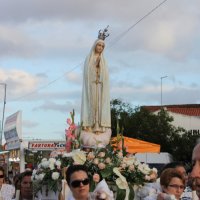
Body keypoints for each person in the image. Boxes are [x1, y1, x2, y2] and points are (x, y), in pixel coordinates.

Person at [81, 28, 111, 135]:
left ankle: (98, 127)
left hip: (100, 86)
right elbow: (87, 74)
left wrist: (100, 69)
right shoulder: (89, 58)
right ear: (95, 46)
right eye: (99, 45)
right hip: (92, 86)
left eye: (103, 46)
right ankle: (90, 125)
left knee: (99, 105)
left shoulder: (103, 60)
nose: (101, 48)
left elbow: (106, 76)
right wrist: (95, 66)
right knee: (92, 104)